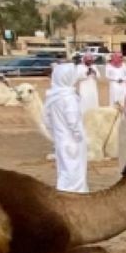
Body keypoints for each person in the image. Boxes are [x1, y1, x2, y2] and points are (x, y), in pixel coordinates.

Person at [42, 62, 88, 192]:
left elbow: (46, 119)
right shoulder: (69, 98)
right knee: (75, 171)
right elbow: (73, 121)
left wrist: (55, 134)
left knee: (64, 171)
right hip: (72, 141)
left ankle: (64, 194)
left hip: (61, 140)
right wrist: (79, 136)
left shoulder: (53, 97)